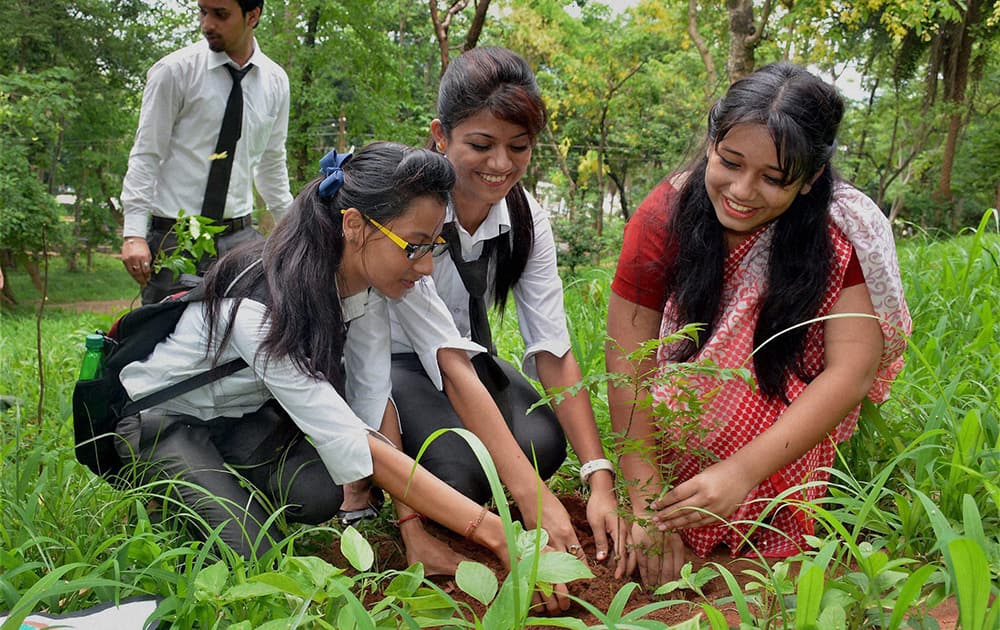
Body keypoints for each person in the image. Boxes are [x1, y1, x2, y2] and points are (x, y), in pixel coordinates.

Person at [112, 142, 571, 612]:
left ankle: (216, 479)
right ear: (354, 225)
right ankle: (162, 491)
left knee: (317, 493)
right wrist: (501, 537)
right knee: (256, 563)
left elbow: (373, 407)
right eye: (414, 246)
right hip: (157, 419)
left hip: (239, 418)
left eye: (434, 246)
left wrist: (413, 532)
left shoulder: (363, 289)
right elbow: (353, 441)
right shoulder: (260, 305)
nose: (427, 265)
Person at [606, 62, 911, 586]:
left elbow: (852, 372)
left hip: (787, 429)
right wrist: (646, 502)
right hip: (680, 427)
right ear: (711, 144)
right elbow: (626, 361)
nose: (743, 191)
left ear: (812, 178)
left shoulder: (846, 229)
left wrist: (741, 472)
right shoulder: (665, 216)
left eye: (773, 178)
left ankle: (770, 506)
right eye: (730, 162)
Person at [349, 46, 625, 577]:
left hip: (467, 364)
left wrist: (598, 474)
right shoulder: (410, 216)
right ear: (440, 134)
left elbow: (552, 347)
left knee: (544, 443)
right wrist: (531, 499)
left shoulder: (526, 219)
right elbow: (444, 362)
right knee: (460, 474)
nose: (500, 165)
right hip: (396, 367)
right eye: (481, 144)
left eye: (517, 147)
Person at [120, 0, 293, 304]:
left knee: (243, 336)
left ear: (252, 16)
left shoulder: (275, 82)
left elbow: (271, 163)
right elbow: (147, 153)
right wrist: (133, 233)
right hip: (174, 239)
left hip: (239, 239)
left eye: (220, 15)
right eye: (203, 11)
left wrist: (294, 230)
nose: (207, 24)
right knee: (166, 339)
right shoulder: (174, 72)